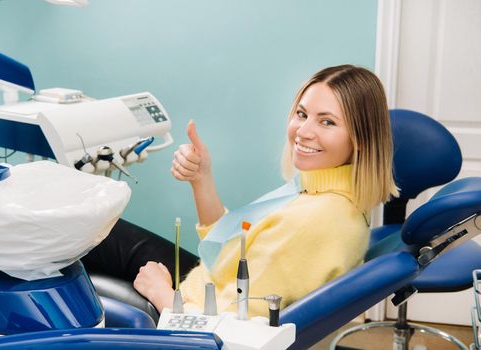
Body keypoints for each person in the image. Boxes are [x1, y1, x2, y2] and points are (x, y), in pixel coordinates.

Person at [82, 64, 398, 318]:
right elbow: (236, 250)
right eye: (301, 115)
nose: (303, 131)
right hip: (209, 284)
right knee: (98, 229)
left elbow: (228, 332)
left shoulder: (315, 221)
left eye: (327, 122)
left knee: (84, 234)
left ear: (359, 139)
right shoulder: (326, 192)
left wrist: (162, 292)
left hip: (190, 312)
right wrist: (201, 178)